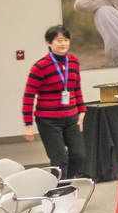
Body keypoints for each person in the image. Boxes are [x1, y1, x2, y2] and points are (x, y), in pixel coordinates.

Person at [22, 25, 87, 179]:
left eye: (66, 40)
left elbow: (76, 88)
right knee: (60, 160)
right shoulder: (40, 66)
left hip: (71, 117)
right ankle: (60, 188)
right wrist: (28, 124)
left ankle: (63, 184)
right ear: (49, 43)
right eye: (59, 40)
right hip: (48, 120)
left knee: (79, 155)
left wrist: (81, 111)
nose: (63, 43)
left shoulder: (74, 62)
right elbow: (29, 96)